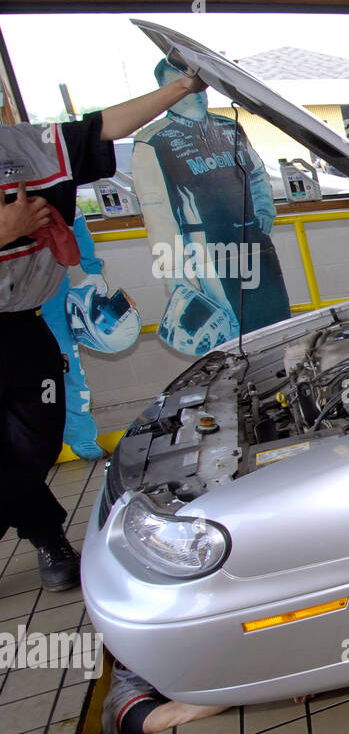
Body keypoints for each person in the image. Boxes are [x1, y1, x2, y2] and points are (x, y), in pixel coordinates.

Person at [2, 72, 206, 590]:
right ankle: (49, 536)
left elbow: (102, 128)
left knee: (33, 448)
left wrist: (181, 87)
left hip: (22, 328)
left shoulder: (25, 147)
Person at [133, 57, 289, 356]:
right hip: (209, 253)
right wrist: (177, 279)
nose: (197, 93)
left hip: (256, 243)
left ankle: (282, 386)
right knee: (233, 337)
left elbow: (256, 173)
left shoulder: (229, 128)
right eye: (184, 86)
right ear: (165, 91)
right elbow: (158, 215)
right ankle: (245, 397)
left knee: (276, 322)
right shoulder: (153, 142)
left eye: (200, 85)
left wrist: (265, 209)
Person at [42, 210, 142, 460]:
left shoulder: (46, 177)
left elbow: (74, 220)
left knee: (64, 369)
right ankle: (39, 441)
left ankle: (79, 437)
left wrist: (92, 269)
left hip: (49, 289)